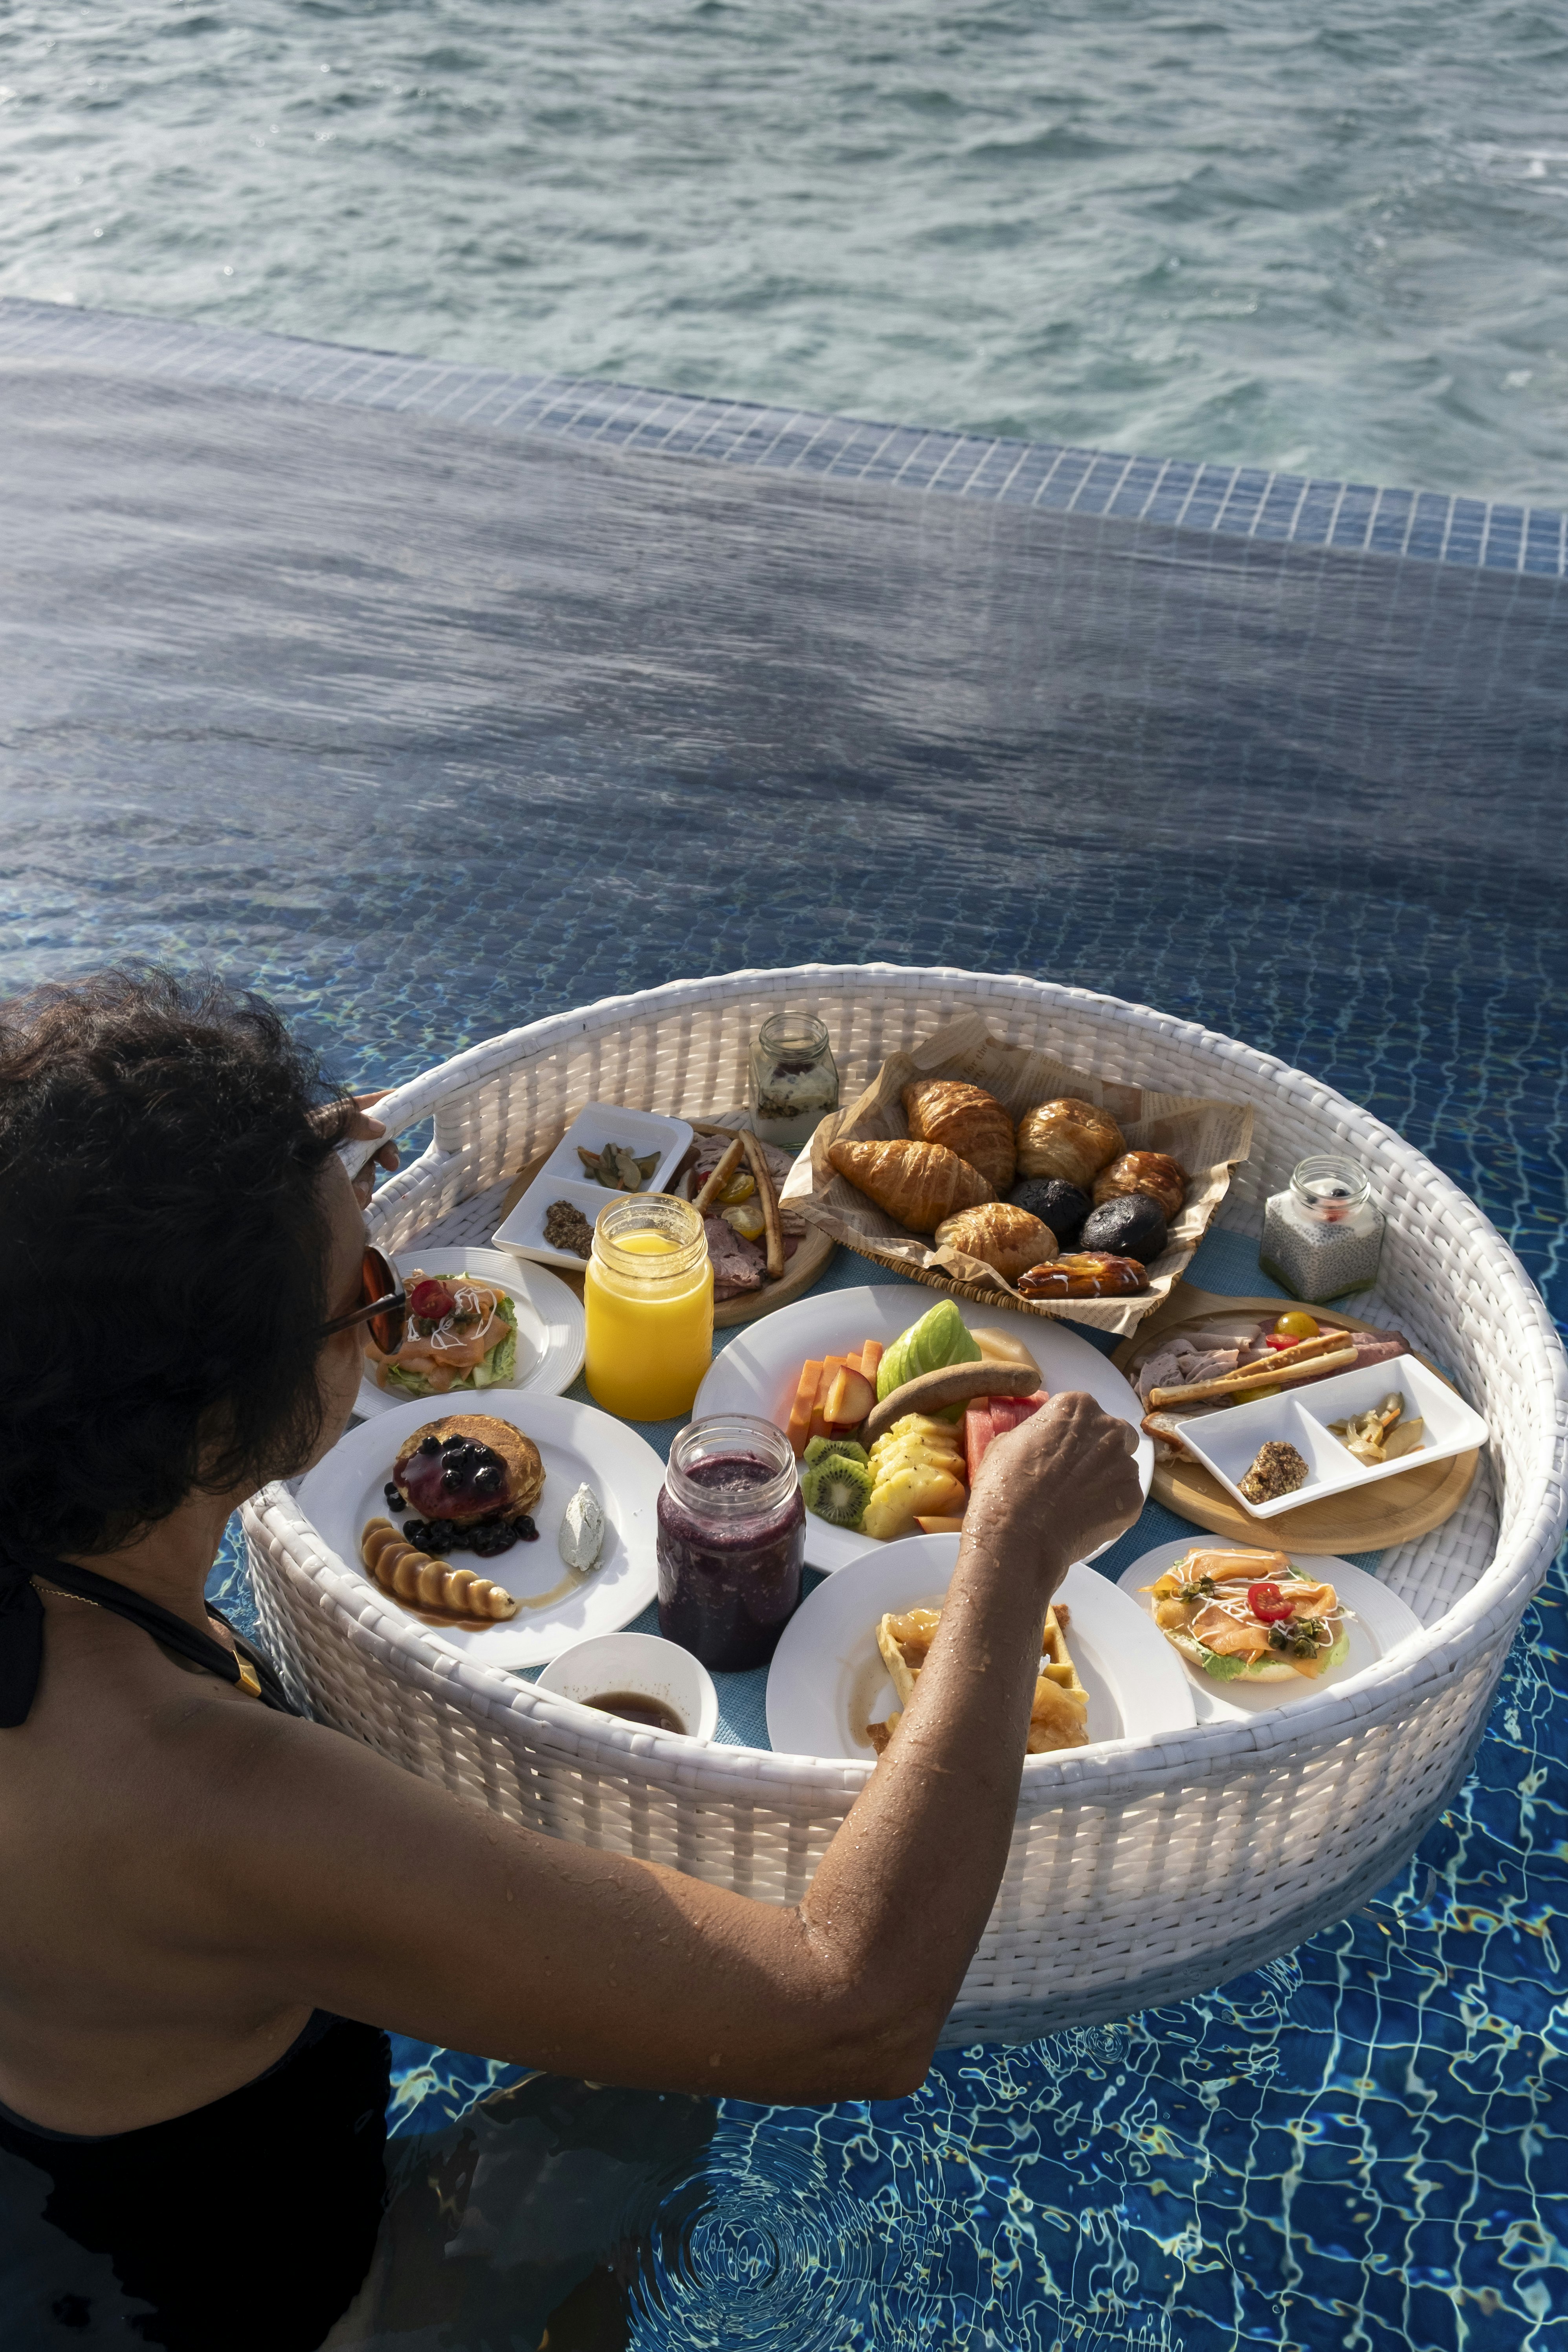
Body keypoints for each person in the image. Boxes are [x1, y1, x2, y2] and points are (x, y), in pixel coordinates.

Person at [0, 972, 1143, 2350]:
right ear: (211, 1409)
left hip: (60, 2221)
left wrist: (251, 1184)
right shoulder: (198, 1797)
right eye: (368, 1292)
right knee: (646, 2094)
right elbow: (853, 2013)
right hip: (265, 2319)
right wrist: (1009, 1558)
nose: (394, 1314)